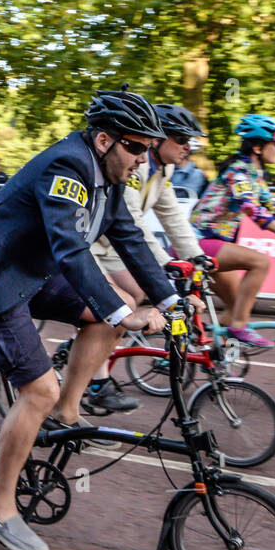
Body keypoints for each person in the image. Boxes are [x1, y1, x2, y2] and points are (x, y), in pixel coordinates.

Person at [0, 87, 181, 550]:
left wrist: (170, 299)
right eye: (135, 146)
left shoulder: (110, 176)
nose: (142, 159)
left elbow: (127, 236)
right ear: (105, 140)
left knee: (114, 309)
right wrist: (127, 314)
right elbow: (70, 247)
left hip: (28, 273)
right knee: (39, 389)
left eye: (149, 148)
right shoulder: (67, 165)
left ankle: (67, 411)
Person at [85, 102, 210, 414]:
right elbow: (133, 219)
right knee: (119, 303)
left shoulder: (163, 169)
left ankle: (94, 352)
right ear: (159, 138)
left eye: (190, 142)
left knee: (137, 294)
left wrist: (196, 256)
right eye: (182, 139)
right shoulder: (134, 161)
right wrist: (165, 261)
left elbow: (172, 216)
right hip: (87, 243)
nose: (187, 148)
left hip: (111, 244)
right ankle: (97, 382)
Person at [189, 114, 275, 347]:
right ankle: (237, 328)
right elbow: (253, 210)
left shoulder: (255, 175)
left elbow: (273, 209)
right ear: (258, 147)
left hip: (213, 245)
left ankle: (216, 364)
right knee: (260, 262)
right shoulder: (238, 172)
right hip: (195, 243)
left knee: (236, 306)